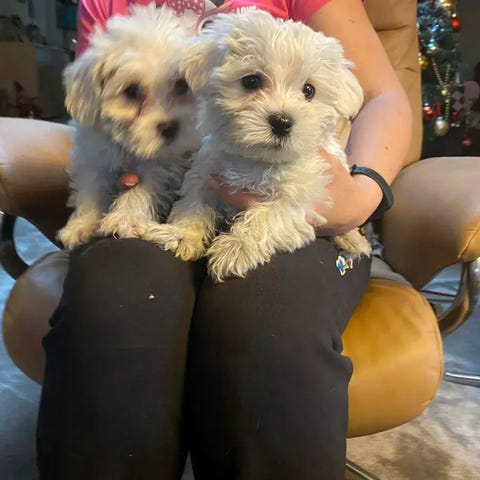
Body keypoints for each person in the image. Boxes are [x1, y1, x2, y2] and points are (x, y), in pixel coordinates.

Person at [36, 0, 412, 479]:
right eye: (253, 82)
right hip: (156, 192)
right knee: (116, 303)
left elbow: (381, 96)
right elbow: (94, 109)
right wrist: (117, 165)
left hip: (305, 204)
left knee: (265, 316)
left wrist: (361, 195)